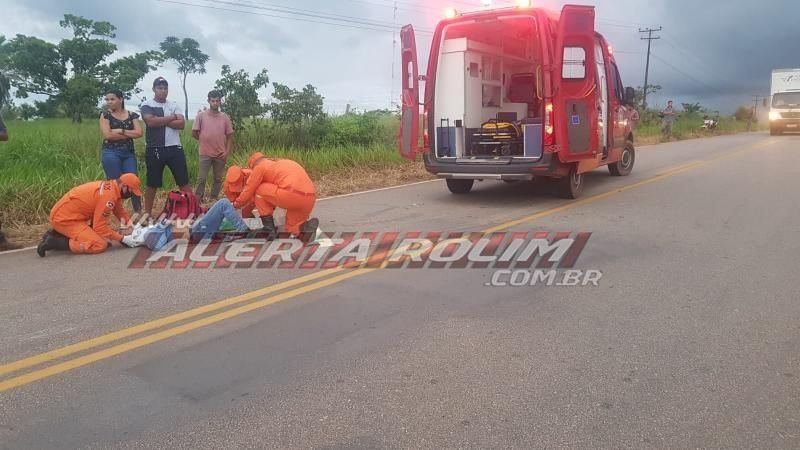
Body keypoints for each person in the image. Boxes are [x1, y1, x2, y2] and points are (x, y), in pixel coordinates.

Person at [37, 174, 142, 257]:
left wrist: (131, 225)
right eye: (131, 192)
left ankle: (60, 233)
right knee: (99, 245)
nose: (131, 195)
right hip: (64, 219)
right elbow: (100, 228)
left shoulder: (112, 188)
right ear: (124, 186)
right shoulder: (108, 196)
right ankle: (55, 242)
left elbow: (119, 210)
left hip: (67, 215)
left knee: (102, 237)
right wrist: (122, 238)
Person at [233, 152, 319, 241]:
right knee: (292, 229)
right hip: (310, 198)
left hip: (291, 194)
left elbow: (249, 190)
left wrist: (235, 205)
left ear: (254, 165)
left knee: (259, 190)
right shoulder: (281, 163)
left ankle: (269, 229)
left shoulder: (260, 166)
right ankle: (305, 229)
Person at [140, 77, 190, 219]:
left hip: (174, 148)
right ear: (154, 89)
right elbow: (150, 122)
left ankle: (193, 210)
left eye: (165, 88)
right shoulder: (147, 104)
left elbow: (181, 124)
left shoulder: (173, 104)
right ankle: (147, 213)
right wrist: (171, 117)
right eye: (160, 88)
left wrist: (160, 120)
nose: (163, 91)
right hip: (155, 148)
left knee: (183, 181)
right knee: (152, 183)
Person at [99, 89, 144, 213]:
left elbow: (139, 133)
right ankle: (116, 213)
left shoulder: (132, 115)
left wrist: (120, 130)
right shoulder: (105, 115)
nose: (109, 102)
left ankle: (138, 213)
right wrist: (130, 134)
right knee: (114, 185)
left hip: (128, 153)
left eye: (112, 99)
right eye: (107, 99)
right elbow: (108, 135)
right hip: (111, 152)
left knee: (133, 182)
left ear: (121, 99)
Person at [193, 90, 234, 202]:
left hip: (220, 153)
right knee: (201, 178)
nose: (215, 103)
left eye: (217, 101)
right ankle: (197, 200)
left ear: (220, 101)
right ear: (208, 101)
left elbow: (230, 136)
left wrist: (227, 152)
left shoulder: (224, 117)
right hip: (205, 153)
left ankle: (213, 199)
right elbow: (194, 132)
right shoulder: (201, 116)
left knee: (218, 178)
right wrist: (204, 140)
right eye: (213, 101)